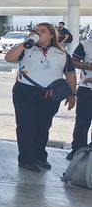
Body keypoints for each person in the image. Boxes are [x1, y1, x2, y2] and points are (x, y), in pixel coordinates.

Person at [5, 23, 76, 172]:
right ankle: (25, 159)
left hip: (50, 95)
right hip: (25, 92)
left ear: (51, 35)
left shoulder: (61, 52)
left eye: (42, 31)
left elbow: (70, 73)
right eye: (36, 30)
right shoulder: (26, 48)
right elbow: (9, 58)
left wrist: (72, 94)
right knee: (26, 126)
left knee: (43, 127)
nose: (38, 33)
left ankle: (39, 156)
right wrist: (26, 43)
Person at [69, 36, 92, 160]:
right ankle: (77, 149)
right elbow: (73, 61)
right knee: (82, 121)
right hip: (86, 89)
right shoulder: (86, 44)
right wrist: (88, 66)